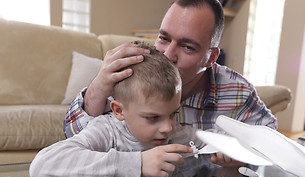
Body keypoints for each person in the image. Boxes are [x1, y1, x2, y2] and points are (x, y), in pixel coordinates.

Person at [64, 0, 277, 165]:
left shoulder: (238, 91)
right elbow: (74, 141)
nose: (168, 55)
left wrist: (241, 154)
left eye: (187, 47)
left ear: (211, 58)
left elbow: (271, 142)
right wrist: (97, 89)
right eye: (164, 38)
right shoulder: (131, 74)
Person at [30, 41, 206, 177]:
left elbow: (215, 140)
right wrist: (138, 164)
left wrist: (227, 153)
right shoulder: (106, 130)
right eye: (153, 117)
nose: (167, 127)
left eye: (173, 114)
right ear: (119, 111)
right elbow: (41, 165)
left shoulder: (176, 134)